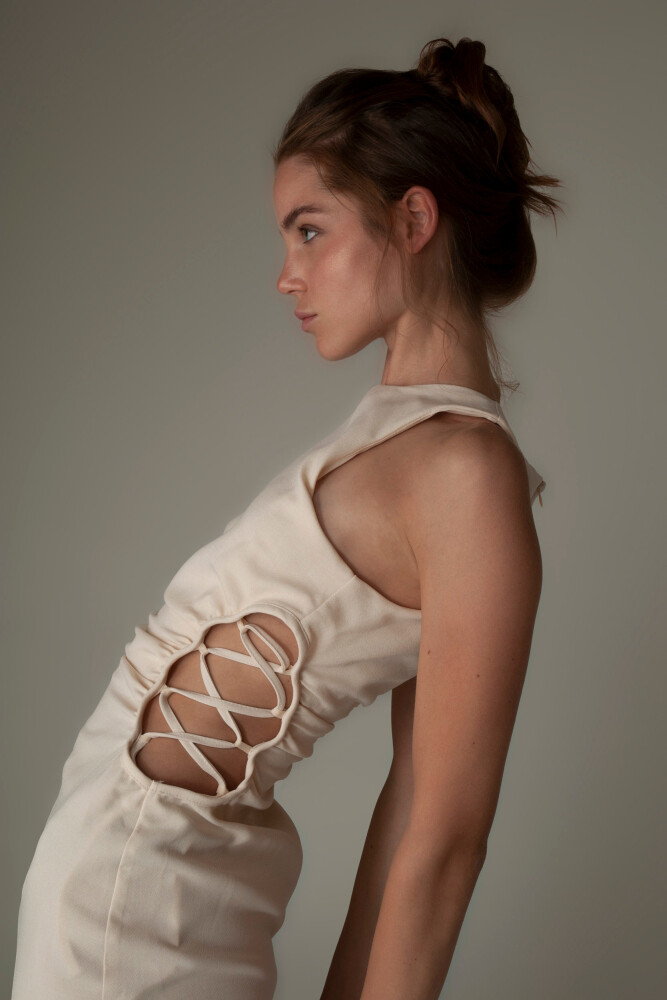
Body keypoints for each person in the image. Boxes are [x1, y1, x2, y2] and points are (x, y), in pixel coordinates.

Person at [11, 34, 563, 1000]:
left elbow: (439, 834)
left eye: (309, 230)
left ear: (413, 217)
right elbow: (409, 807)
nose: (285, 274)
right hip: (131, 883)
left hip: (144, 898)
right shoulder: (396, 437)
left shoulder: (464, 471)